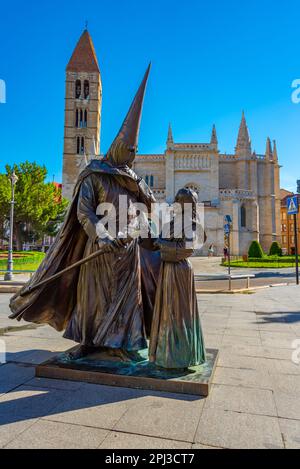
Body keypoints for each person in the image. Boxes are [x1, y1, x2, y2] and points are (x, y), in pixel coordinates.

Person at [9, 64, 160, 360]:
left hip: (128, 251)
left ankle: (127, 345)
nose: (131, 153)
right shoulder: (95, 175)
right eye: (127, 148)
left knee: (129, 299)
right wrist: (102, 236)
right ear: (116, 146)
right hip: (100, 248)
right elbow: (85, 213)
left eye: (134, 149)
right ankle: (89, 343)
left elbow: (150, 209)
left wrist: (140, 185)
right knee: (93, 298)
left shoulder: (133, 179)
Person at [149, 188, 206, 369]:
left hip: (179, 269)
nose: (175, 203)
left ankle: (181, 355)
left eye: (179, 201)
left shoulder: (192, 223)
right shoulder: (173, 222)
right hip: (168, 268)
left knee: (178, 312)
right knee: (167, 312)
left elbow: (186, 249)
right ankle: (166, 354)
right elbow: (157, 242)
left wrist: (161, 243)